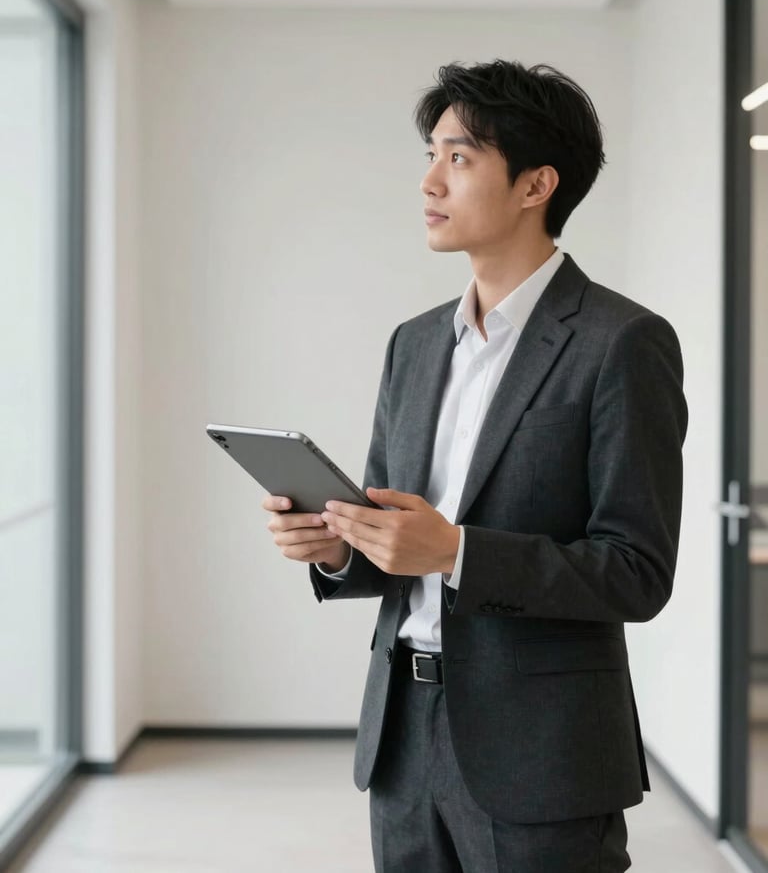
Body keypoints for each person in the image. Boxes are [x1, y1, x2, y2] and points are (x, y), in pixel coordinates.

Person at [263, 59, 688, 873]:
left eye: (458, 158)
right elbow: (396, 537)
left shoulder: (622, 343)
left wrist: (457, 552)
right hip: (402, 739)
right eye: (431, 153)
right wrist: (340, 546)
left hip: (543, 751)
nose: (429, 179)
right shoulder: (414, 343)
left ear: (536, 185)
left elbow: (637, 572)